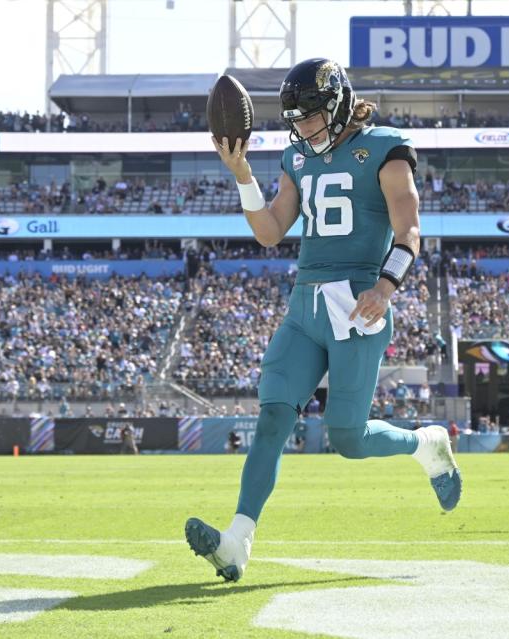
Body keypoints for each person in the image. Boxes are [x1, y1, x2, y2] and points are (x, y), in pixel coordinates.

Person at [187, 58, 462, 582]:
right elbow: (270, 231)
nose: (303, 125)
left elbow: (410, 229)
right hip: (305, 303)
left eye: (311, 113)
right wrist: (243, 175)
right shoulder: (296, 157)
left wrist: (385, 286)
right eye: (295, 116)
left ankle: (426, 444)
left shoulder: (385, 147)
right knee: (272, 418)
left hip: (357, 305)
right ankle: (236, 542)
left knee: (349, 439)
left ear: (336, 102)